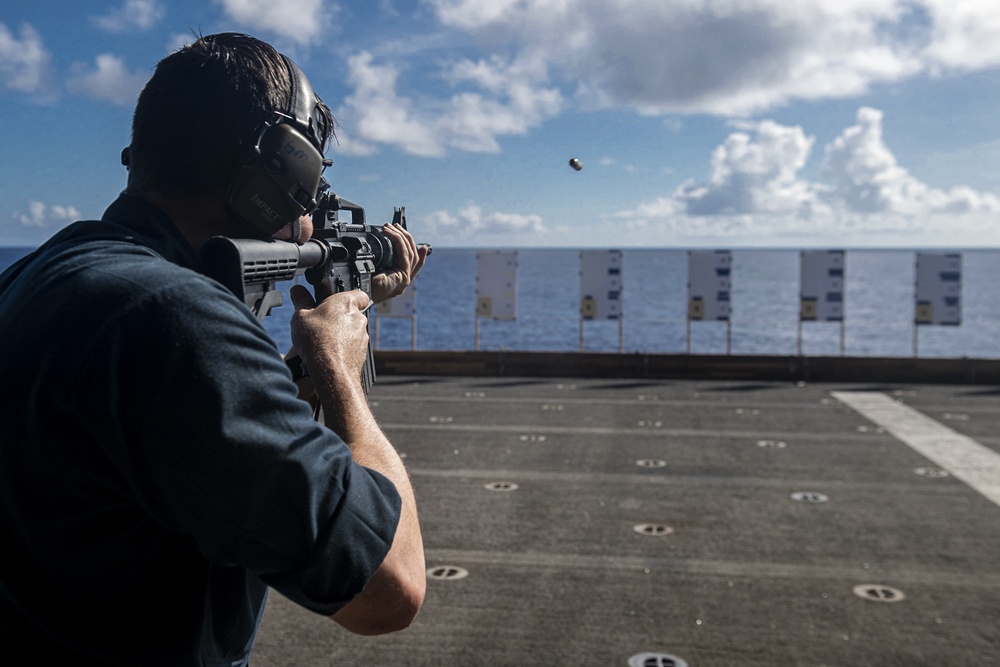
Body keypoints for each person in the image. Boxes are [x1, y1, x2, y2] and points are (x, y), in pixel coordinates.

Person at [0, 33, 428, 665]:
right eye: (308, 190)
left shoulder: (36, 277)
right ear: (279, 171)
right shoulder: (177, 322)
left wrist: (297, 379)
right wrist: (336, 368)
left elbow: (180, 441)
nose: (309, 217)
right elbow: (388, 589)